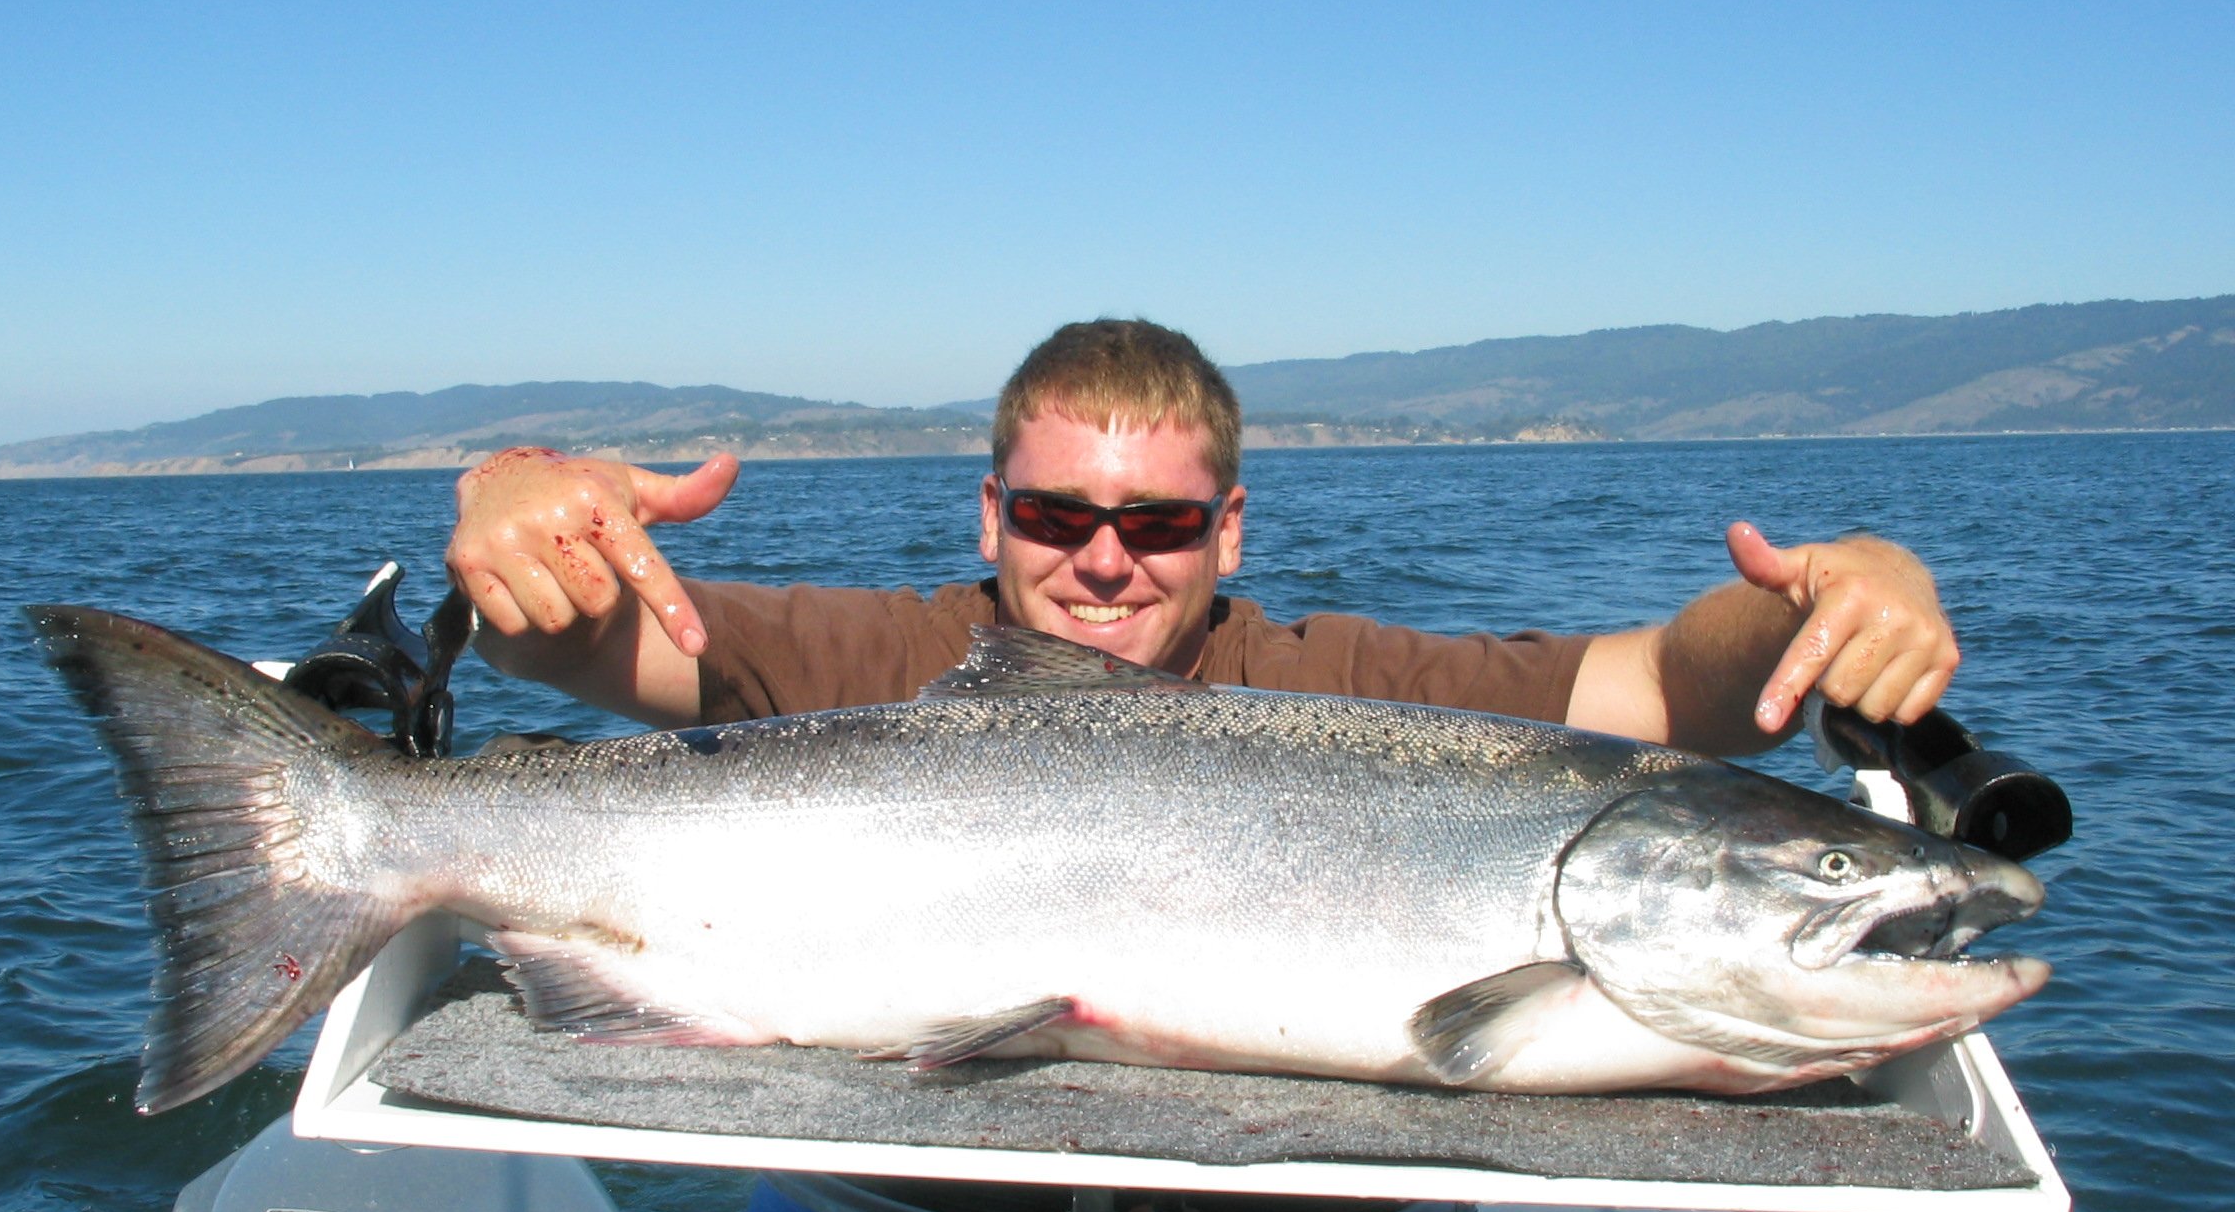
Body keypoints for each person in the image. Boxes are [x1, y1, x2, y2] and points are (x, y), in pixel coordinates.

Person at [444, 319, 1960, 753]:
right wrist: (528, 511)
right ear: (991, 516)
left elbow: (1675, 694)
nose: (1105, 560)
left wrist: (1829, 600)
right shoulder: (876, 659)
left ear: (1229, 531)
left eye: (1159, 521)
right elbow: (579, 636)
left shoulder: (1346, 687)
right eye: (1054, 514)